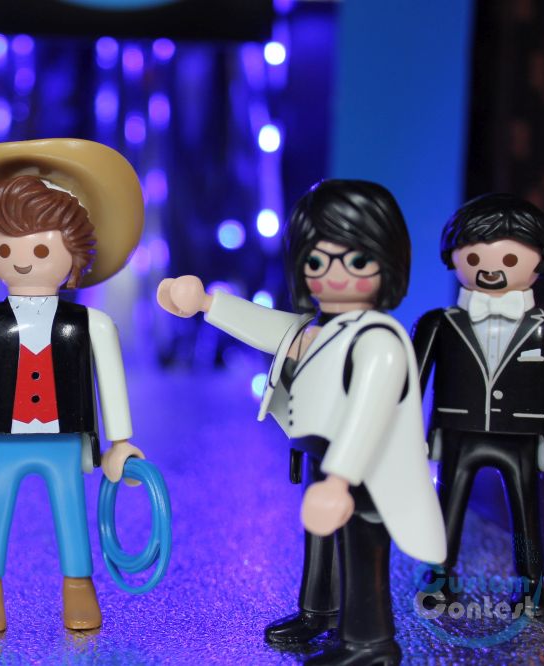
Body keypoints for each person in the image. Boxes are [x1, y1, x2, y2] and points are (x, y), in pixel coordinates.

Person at [158, 179, 445, 665]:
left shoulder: (379, 339)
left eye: (356, 261)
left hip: (364, 470)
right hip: (323, 459)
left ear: (388, 263)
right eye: (316, 262)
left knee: (361, 551)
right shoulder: (323, 330)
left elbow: (369, 413)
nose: (333, 276)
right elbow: (273, 329)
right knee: (320, 542)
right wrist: (207, 303)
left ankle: (369, 643)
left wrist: (340, 480)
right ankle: (318, 613)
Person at [0, 138, 145, 633]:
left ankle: (79, 591)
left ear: (74, 253)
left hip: (65, 440)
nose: (21, 260)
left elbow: (111, 384)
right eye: (5, 248)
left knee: (71, 517)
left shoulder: (92, 325)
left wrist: (121, 443)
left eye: (41, 248)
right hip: (2, 439)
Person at [412, 193, 544, 617]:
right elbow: (411, 382)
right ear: (453, 258)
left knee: (526, 513)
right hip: (457, 430)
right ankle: (440, 575)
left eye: (510, 259)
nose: (490, 269)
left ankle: (531, 583)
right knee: (448, 507)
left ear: (539, 261)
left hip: (521, 435)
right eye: (474, 256)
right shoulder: (438, 323)